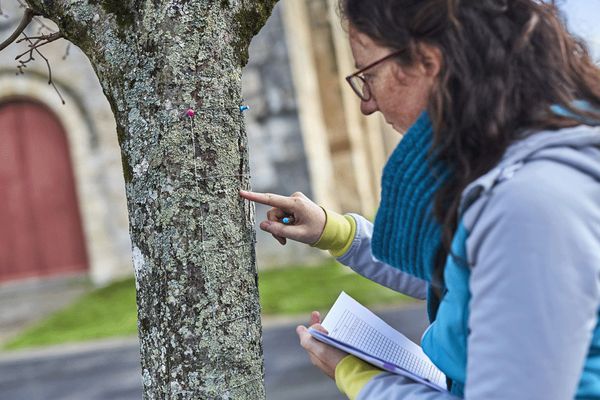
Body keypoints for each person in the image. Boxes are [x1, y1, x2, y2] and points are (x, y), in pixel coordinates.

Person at [240, 0, 600, 398]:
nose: (366, 103)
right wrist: (337, 233)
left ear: (427, 62)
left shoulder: (529, 204)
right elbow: (468, 275)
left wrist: (362, 379)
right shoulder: (517, 163)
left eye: (369, 75)